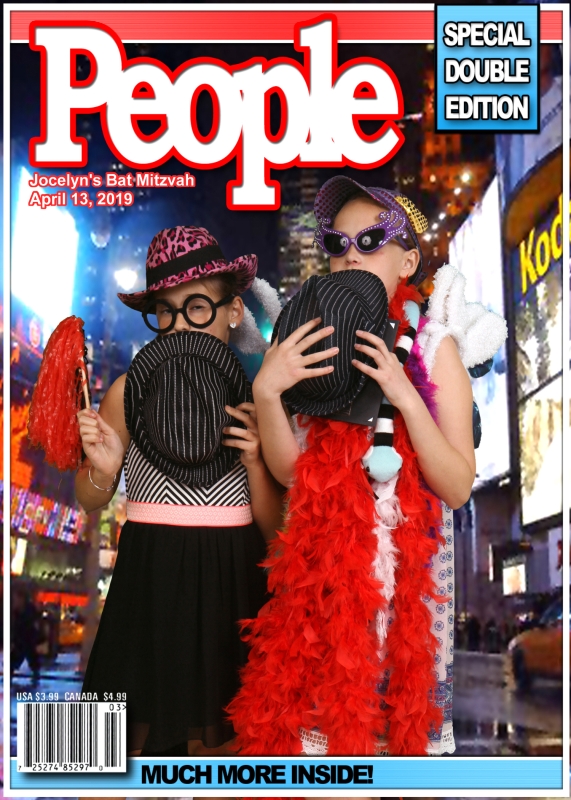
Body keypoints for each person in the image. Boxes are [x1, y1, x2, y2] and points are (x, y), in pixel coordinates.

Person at [228, 177, 483, 757]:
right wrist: (268, 392)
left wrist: (404, 393)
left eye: (370, 241)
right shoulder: (311, 341)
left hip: (405, 606)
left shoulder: (433, 347)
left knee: (393, 764)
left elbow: (457, 486)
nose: (350, 255)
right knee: (321, 764)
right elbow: (292, 474)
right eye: (336, 243)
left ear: (408, 261)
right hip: (326, 598)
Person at [76, 226, 284, 758]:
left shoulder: (258, 398)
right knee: (103, 758)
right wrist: (103, 470)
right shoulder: (129, 390)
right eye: (165, 312)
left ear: (233, 311)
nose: (179, 326)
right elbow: (89, 499)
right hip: (147, 580)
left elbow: (276, 535)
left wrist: (256, 462)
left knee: (224, 757)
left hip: (231, 582)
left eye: (196, 307)